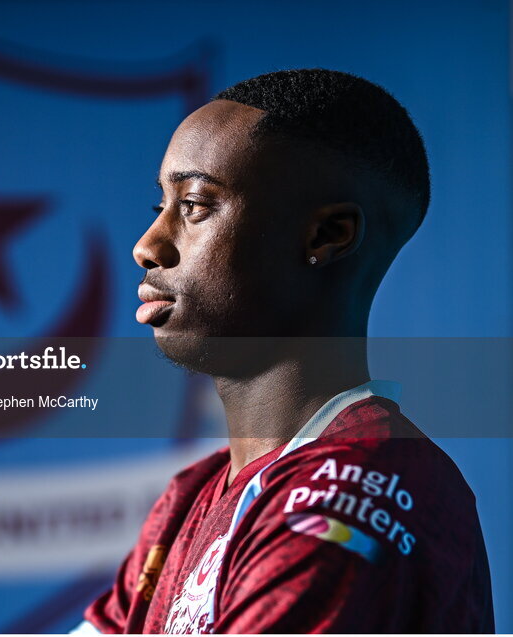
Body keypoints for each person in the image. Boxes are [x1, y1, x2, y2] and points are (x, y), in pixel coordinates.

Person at [76, 69, 494, 634]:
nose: (147, 245)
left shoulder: (351, 488)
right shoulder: (190, 498)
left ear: (327, 236)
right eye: (160, 205)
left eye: (195, 204)